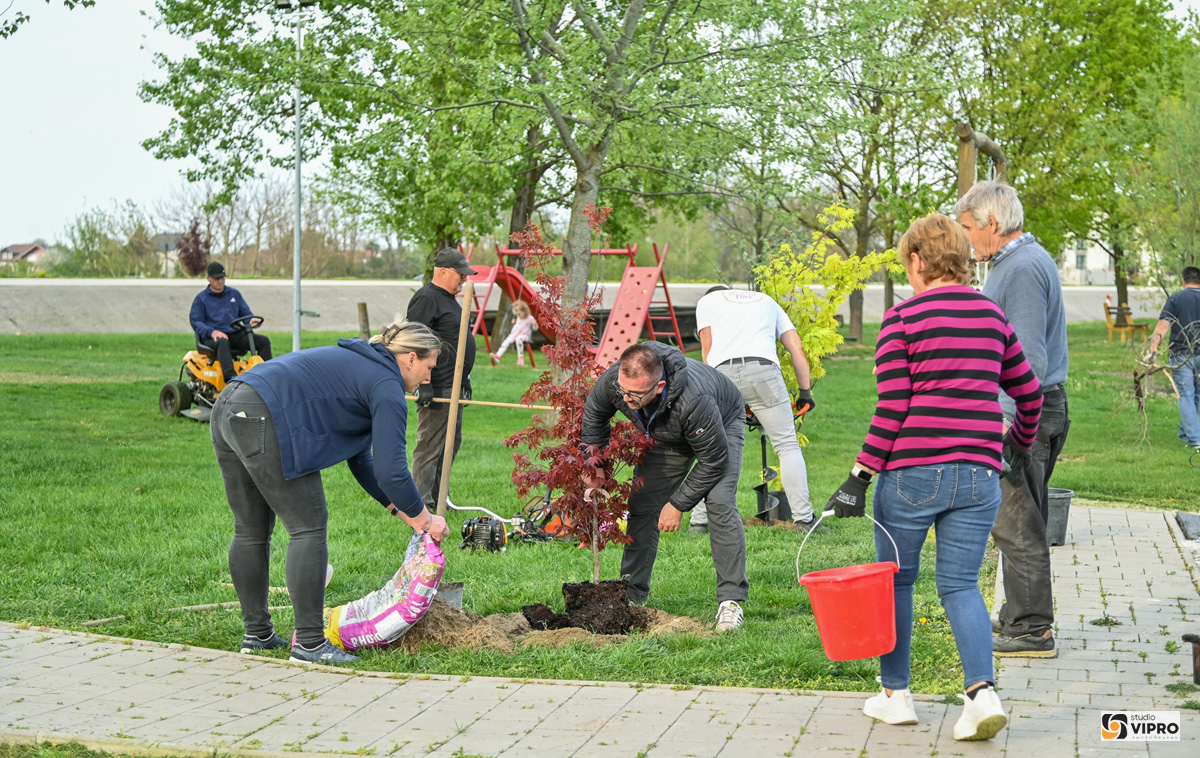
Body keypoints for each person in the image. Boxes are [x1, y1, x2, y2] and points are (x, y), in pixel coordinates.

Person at [825, 213, 1043, 741]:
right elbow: (1029, 394)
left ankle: (895, 696)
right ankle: (982, 694)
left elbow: (893, 408)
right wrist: (1016, 443)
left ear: (918, 262)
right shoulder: (992, 315)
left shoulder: (902, 319)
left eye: (908, 264)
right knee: (961, 584)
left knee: (897, 580)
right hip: (978, 476)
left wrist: (859, 476)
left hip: (911, 474)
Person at [211, 320, 450, 665]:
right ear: (411, 358)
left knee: (250, 530)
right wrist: (426, 521)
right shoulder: (386, 385)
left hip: (229, 404)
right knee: (308, 525)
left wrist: (402, 512)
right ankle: (309, 644)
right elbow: (392, 470)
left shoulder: (363, 364)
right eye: (429, 367)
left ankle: (257, 635)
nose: (428, 379)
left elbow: (362, 460)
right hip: (266, 415)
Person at [953, 180, 1068, 658]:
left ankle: (1031, 629)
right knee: (1023, 519)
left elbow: (1029, 361)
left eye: (966, 229)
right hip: (1040, 409)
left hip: (1028, 413)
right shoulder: (1016, 261)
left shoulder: (1020, 268)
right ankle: (1021, 616)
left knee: (1016, 523)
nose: (964, 240)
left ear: (991, 224)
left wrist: (1003, 421)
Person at [581, 341, 749, 631]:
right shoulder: (615, 381)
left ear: (659, 387)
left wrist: (678, 504)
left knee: (719, 501)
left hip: (719, 424)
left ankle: (730, 601)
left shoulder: (695, 399)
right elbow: (594, 419)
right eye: (623, 391)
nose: (626, 398)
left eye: (635, 394)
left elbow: (714, 461)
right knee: (642, 504)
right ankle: (631, 595)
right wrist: (595, 467)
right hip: (667, 435)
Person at [694, 285, 825, 535]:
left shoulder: (708, 302)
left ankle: (699, 522)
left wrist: (716, 391)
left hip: (721, 372)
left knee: (711, 448)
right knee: (787, 445)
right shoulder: (767, 300)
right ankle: (804, 520)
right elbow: (796, 348)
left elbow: (707, 350)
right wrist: (805, 391)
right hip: (765, 371)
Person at [406, 247, 477, 510]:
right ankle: (419, 505)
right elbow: (413, 343)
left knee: (450, 445)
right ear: (444, 272)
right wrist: (424, 383)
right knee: (430, 446)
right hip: (437, 385)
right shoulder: (426, 298)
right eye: (461, 275)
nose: (464, 280)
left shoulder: (448, 298)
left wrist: (464, 380)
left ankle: (437, 499)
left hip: (454, 384)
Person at [190, 261, 273, 383]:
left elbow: (245, 313)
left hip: (235, 334)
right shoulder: (201, 299)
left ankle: (268, 376)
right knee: (222, 342)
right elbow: (196, 321)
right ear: (208, 278)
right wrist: (212, 332)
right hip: (213, 337)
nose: (220, 281)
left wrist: (250, 320)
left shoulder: (234, 294)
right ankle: (231, 379)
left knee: (263, 341)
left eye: (222, 278)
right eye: (217, 278)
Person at [1146, 267, 1200, 449]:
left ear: (1183, 281)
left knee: (1186, 395)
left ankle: (1195, 439)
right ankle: (1186, 434)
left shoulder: (1176, 298)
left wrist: (1152, 349)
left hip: (1181, 354)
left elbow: (1163, 326)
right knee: (1197, 396)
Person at [489, 299, 539, 366]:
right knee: (506, 341)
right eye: (517, 314)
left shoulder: (530, 318)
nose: (518, 316)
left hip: (525, 336)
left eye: (519, 314)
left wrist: (534, 324)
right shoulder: (518, 317)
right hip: (514, 334)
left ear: (525, 311)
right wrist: (515, 322)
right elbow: (519, 325)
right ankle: (498, 355)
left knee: (519, 339)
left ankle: (520, 358)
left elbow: (535, 329)